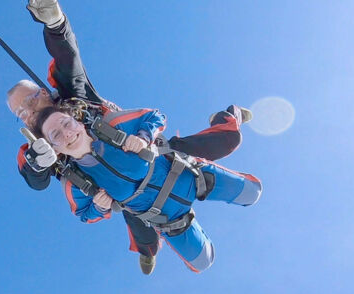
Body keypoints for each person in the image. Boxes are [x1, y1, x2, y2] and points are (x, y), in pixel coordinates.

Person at [7, 0, 250, 274]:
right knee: (143, 227)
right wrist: (38, 164)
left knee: (227, 141)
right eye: (21, 113)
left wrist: (56, 24)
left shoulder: (74, 97)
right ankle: (147, 253)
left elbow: (68, 60)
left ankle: (227, 115)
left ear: (45, 92)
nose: (29, 111)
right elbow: (33, 175)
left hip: (152, 155)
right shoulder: (40, 145)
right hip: (124, 192)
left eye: (31, 100)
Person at [33, 103, 262, 273]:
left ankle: (229, 115)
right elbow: (84, 215)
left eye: (67, 123)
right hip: (167, 217)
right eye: (56, 135)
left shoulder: (112, 127)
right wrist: (99, 207)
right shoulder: (75, 181)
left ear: (78, 122)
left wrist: (143, 137)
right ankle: (149, 247)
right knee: (202, 261)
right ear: (54, 148)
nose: (67, 133)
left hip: (189, 176)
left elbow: (155, 115)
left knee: (252, 192)